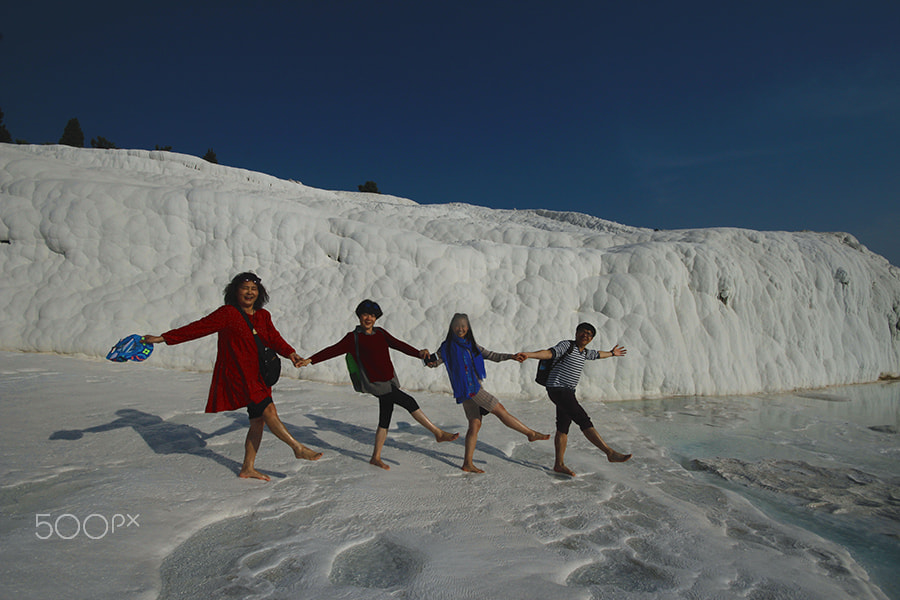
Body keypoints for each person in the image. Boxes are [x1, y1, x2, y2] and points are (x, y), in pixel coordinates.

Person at [142, 272, 322, 481]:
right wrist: (163, 338)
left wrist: (291, 353)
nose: (249, 292)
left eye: (253, 289)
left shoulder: (263, 316)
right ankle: (297, 448)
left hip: (259, 375)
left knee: (257, 422)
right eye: (245, 288)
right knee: (269, 410)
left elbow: (274, 338)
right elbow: (198, 328)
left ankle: (248, 467)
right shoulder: (227, 313)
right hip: (239, 375)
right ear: (235, 291)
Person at [300, 299, 459, 470]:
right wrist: (311, 360)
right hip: (375, 383)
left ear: (376, 318)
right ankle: (438, 433)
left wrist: (418, 353)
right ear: (359, 316)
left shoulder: (381, 333)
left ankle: (375, 457)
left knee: (385, 418)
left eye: (373, 315)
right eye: (365, 314)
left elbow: (399, 345)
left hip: (389, 380)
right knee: (409, 402)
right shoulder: (353, 338)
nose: (369, 318)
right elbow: (333, 349)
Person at [427, 313, 549, 473]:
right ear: (452, 327)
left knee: (475, 425)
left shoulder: (472, 345)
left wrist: (511, 356)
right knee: (501, 411)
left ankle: (467, 463)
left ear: (468, 327)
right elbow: (434, 362)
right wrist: (427, 359)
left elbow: (492, 355)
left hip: (467, 392)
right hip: (472, 391)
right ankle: (530, 433)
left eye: (463, 325)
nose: (460, 328)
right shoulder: (447, 347)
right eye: (457, 325)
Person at [517, 322, 631, 476]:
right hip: (558, 389)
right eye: (583, 332)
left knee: (563, 426)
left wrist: (611, 353)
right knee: (583, 419)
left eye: (589, 334)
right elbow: (549, 353)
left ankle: (559, 464)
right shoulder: (567, 346)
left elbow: (598, 354)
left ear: (591, 339)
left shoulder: (584, 353)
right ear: (576, 333)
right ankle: (609, 452)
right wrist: (529, 355)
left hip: (568, 392)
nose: (586, 335)